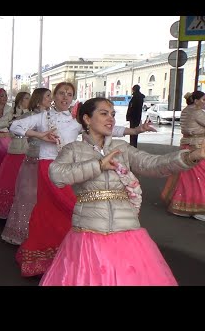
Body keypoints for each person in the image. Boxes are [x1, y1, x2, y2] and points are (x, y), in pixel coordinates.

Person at [41, 97, 205, 286]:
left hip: (127, 230)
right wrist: (98, 165)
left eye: (112, 114)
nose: (110, 119)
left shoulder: (122, 148)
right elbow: (57, 175)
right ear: (87, 119)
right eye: (104, 114)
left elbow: (153, 164)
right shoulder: (73, 149)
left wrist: (192, 156)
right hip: (89, 233)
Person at [11, 82, 156, 277]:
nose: (65, 97)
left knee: (69, 212)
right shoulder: (43, 117)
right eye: (61, 93)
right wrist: (40, 135)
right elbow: (15, 126)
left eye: (69, 94)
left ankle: (73, 257)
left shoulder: (75, 122)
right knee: (61, 209)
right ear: (54, 96)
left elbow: (111, 129)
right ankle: (52, 256)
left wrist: (137, 130)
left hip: (74, 169)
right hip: (49, 168)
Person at [1, 88, 52, 245]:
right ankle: (22, 231)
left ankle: (41, 231)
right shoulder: (30, 116)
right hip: (33, 160)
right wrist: (36, 135)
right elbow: (15, 130)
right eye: (48, 96)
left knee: (45, 197)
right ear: (39, 100)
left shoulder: (52, 116)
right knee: (28, 196)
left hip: (49, 162)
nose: (51, 99)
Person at [0, 91, 30, 218]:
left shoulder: (32, 114)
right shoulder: (13, 113)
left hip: (27, 151)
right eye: (26, 98)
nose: (28, 101)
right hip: (15, 151)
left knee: (25, 183)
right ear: (20, 100)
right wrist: (11, 123)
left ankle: (23, 211)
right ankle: (8, 209)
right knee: (11, 180)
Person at [161, 91, 205, 221]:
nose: (204, 103)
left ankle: (182, 206)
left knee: (185, 178)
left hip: (187, 146)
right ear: (196, 101)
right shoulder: (197, 112)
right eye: (203, 100)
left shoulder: (186, 110)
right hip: (197, 148)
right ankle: (199, 209)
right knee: (200, 179)